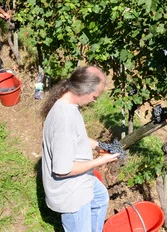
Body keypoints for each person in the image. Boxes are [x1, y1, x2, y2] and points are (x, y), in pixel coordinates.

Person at [41, 66, 119, 232]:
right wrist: (99, 161)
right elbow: (63, 171)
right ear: (84, 90)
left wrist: (99, 146)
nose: (94, 101)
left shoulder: (68, 104)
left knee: (100, 198)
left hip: (80, 181)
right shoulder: (64, 121)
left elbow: (78, 138)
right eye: (95, 97)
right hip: (71, 193)